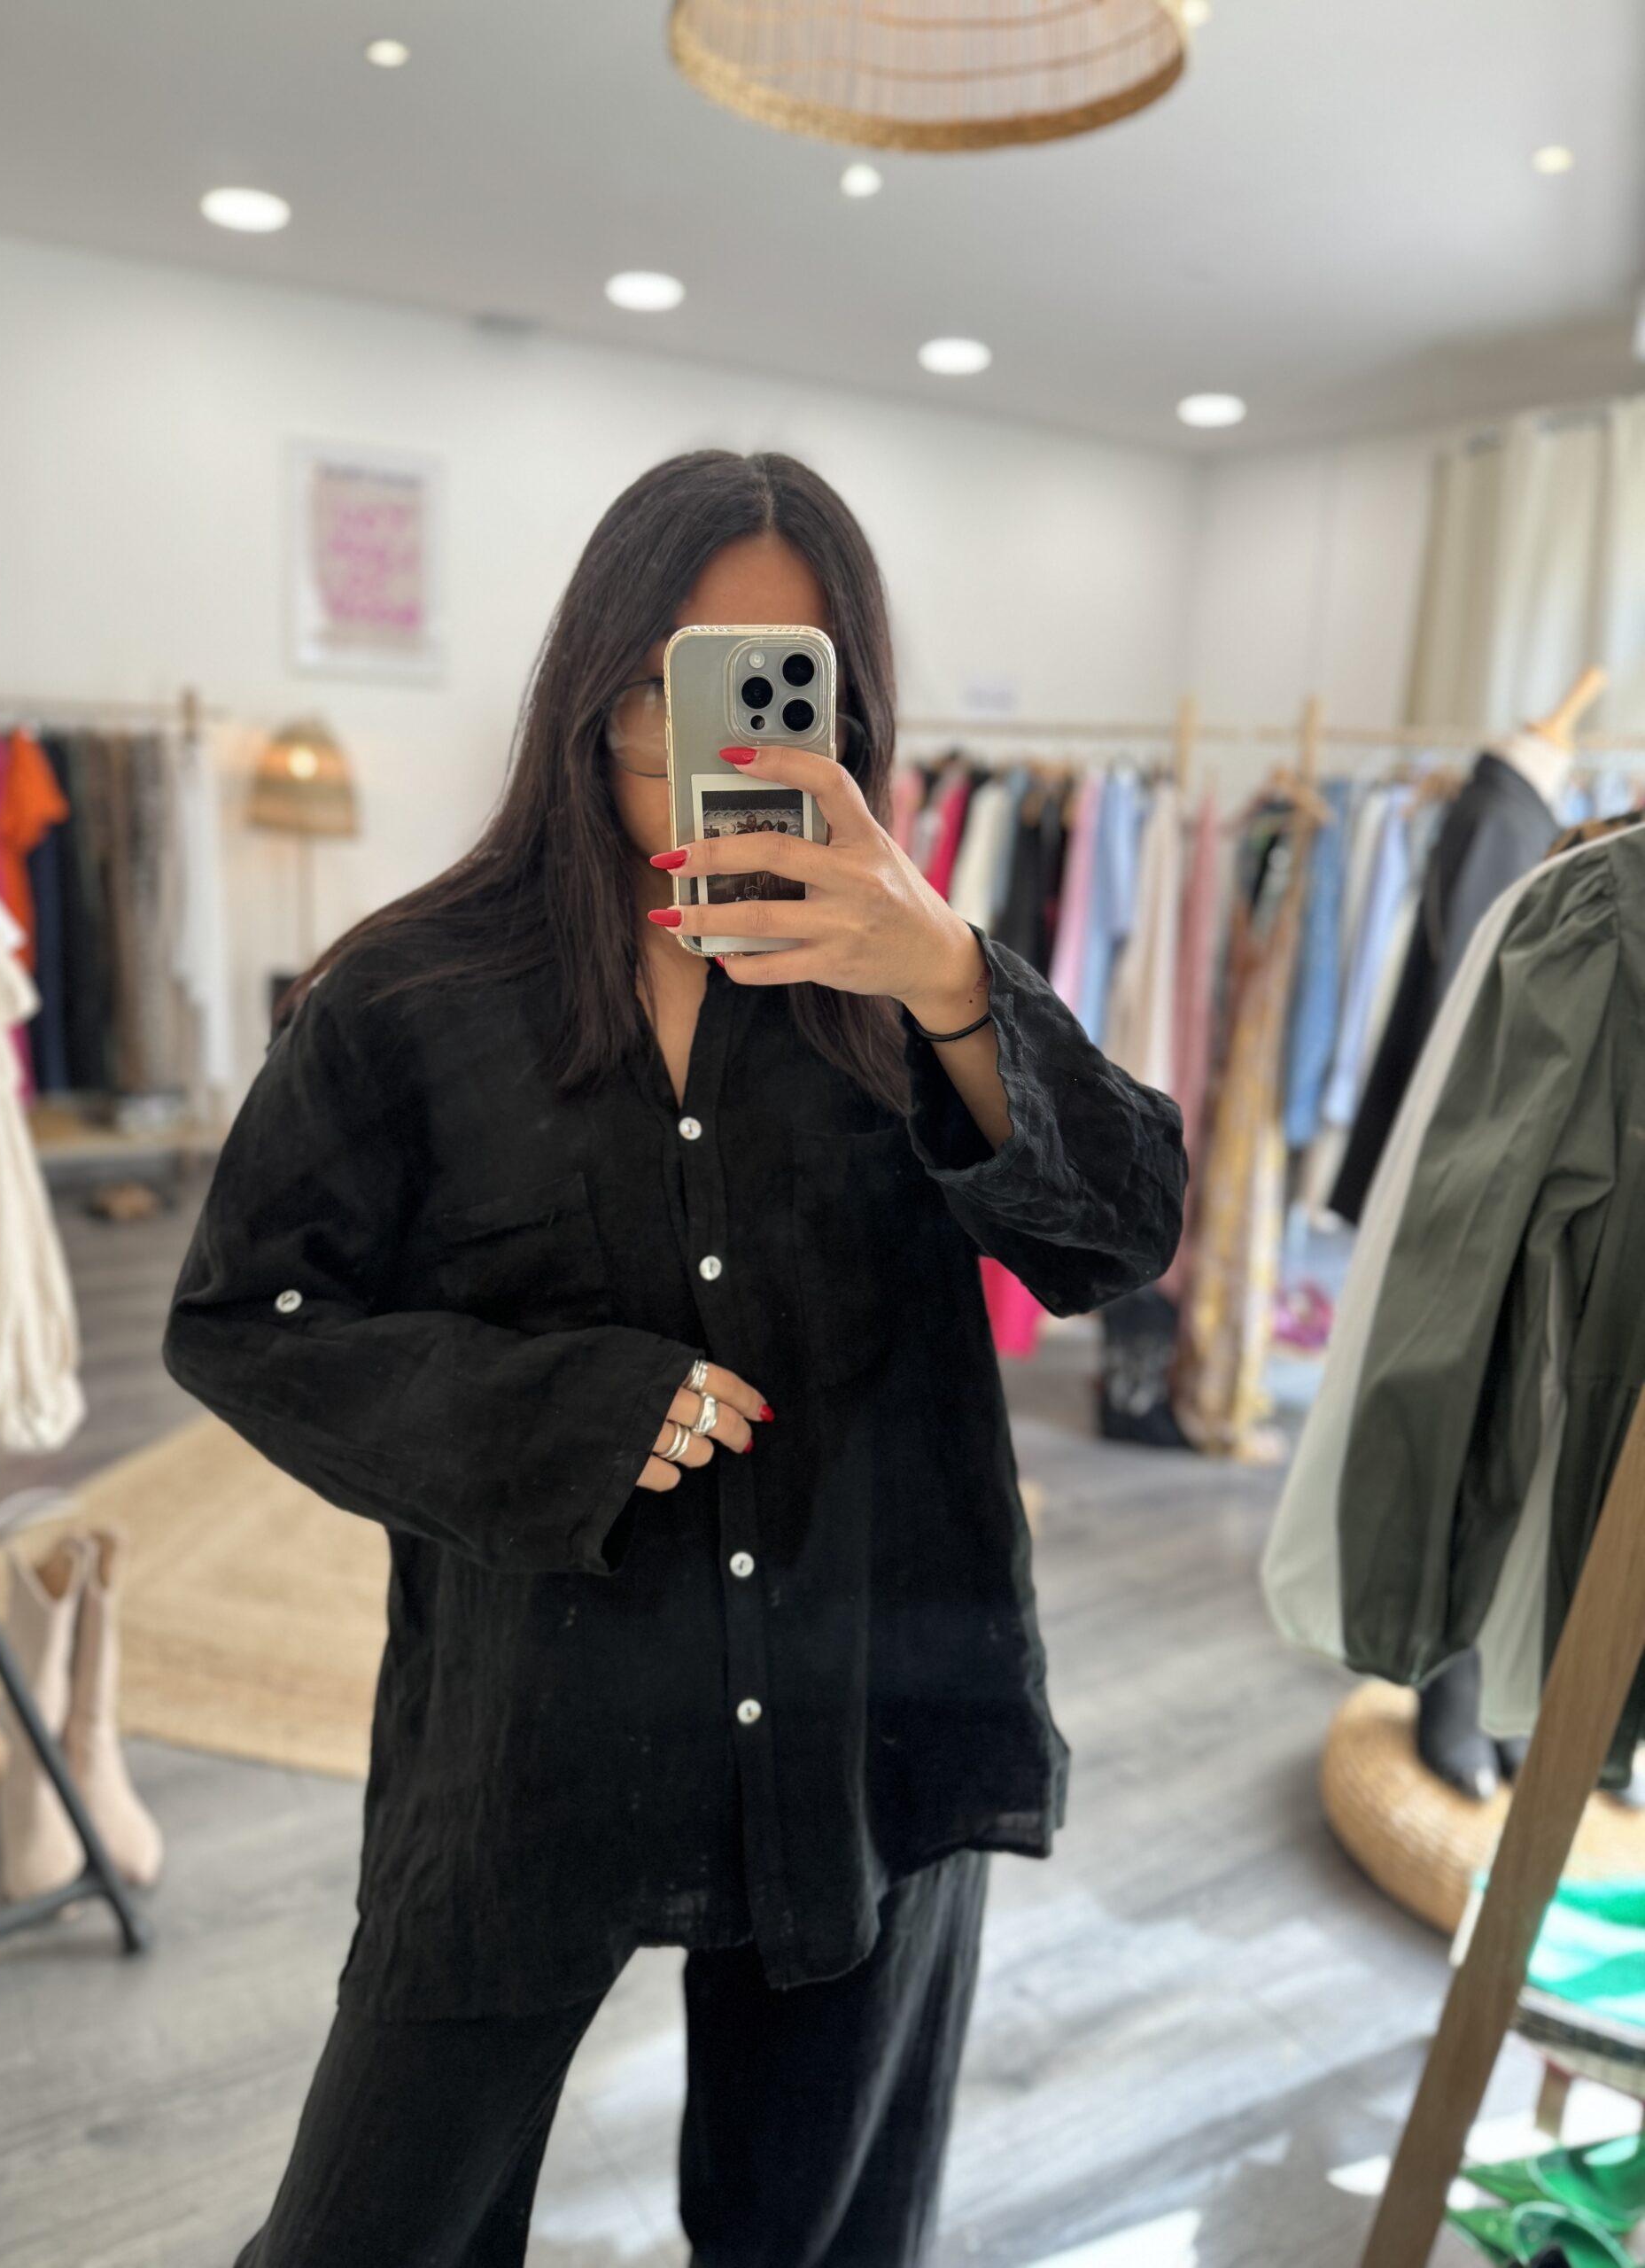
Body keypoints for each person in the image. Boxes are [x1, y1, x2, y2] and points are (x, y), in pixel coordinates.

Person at [161, 448, 1187, 2268]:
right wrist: (559, 1413)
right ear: (591, 686)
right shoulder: (409, 995)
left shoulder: (915, 980)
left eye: (783, 688)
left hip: (863, 1712)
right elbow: (245, 1319)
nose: (714, 741)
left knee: (815, 2236)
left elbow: (1118, 1233)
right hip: (535, 1736)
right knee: (369, 2229)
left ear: (847, 716)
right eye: (671, 683)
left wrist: (953, 978)